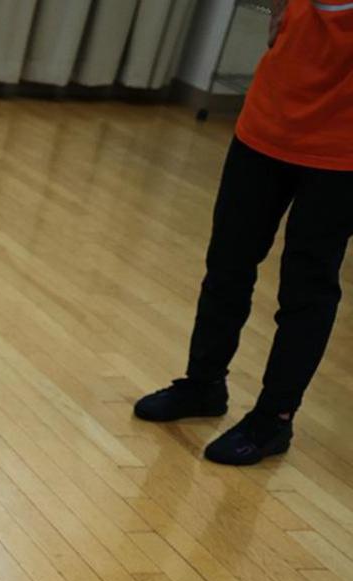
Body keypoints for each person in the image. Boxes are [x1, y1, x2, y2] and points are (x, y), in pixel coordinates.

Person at [132, 0, 351, 465]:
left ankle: (275, 419)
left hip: (341, 150)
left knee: (306, 288)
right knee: (228, 262)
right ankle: (203, 384)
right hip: (266, 121)